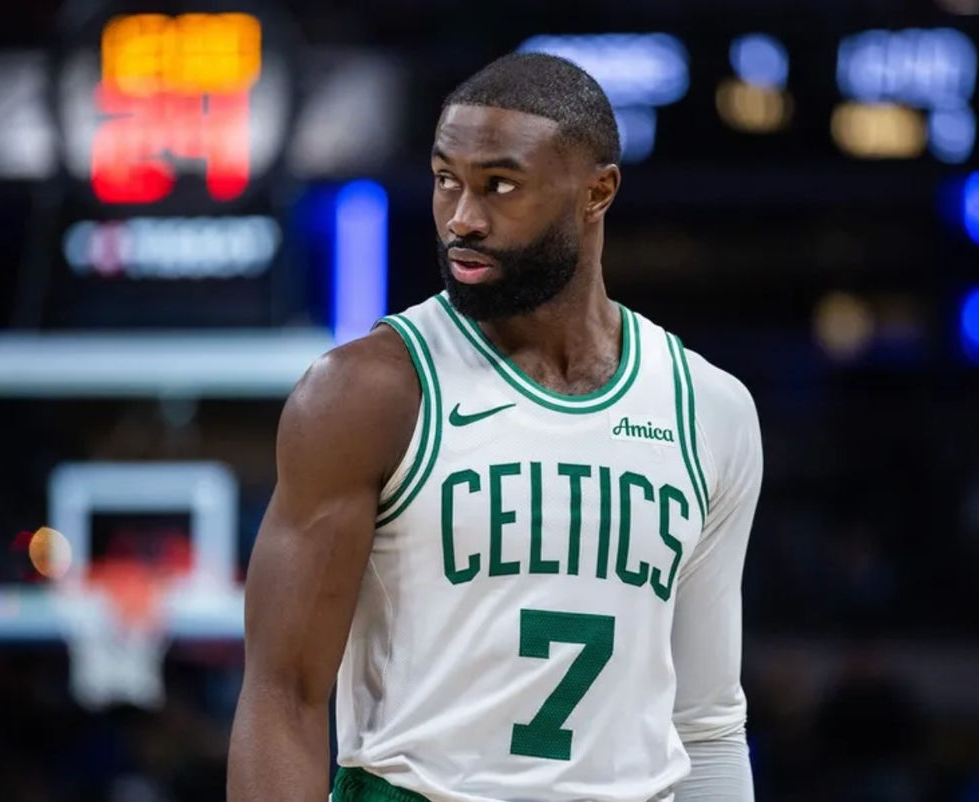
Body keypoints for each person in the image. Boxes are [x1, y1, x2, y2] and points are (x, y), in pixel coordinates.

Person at [228, 52, 763, 802]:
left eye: (499, 186)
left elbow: (706, 724)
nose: (463, 218)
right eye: (448, 179)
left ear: (596, 192)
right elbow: (283, 696)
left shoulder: (708, 407)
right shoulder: (367, 391)